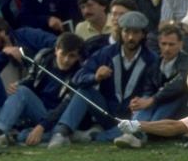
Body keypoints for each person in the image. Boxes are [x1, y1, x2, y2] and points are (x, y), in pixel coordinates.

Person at [49, 11, 156, 147]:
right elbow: (78, 78)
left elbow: (155, 88)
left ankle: (96, 136)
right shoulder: (106, 53)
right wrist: (95, 77)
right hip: (107, 112)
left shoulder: (151, 59)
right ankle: (61, 133)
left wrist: (144, 99)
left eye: (136, 33)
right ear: (120, 32)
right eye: (126, 32)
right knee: (84, 91)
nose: (130, 37)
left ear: (143, 34)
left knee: (147, 105)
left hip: (134, 114)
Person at [0, 31, 84, 149]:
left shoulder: (79, 73)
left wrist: (41, 127)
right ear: (56, 50)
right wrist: (18, 84)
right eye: (63, 54)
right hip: (38, 111)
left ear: (78, 56)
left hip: (57, 118)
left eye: (72, 56)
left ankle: (5, 134)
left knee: (23, 135)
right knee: (20, 90)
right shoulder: (44, 57)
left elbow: (64, 106)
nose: (66, 60)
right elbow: (32, 79)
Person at [113, 24, 188, 149]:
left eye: (171, 44)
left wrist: (151, 100)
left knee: (157, 112)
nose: (167, 48)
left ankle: (138, 135)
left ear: (180, 44)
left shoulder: (187, 62)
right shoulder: (156, 64)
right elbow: (148, 88)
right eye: (164, 44)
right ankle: (134, 134)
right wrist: (139, 102)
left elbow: (179, 85)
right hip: (158, 101)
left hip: (178, 103)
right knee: (143, 104)